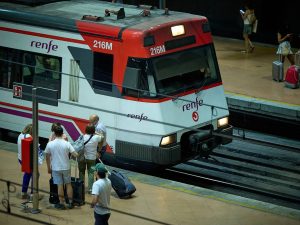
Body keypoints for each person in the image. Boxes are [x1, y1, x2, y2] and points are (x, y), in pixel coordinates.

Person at [45, 125, 78, 209]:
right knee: (68, 184)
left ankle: (61, 203)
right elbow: (75, 154)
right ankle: (70, 203)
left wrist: (49, 167)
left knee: (59, 185)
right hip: (66, 166)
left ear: (55, 134)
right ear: (62, 133)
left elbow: (47, 156)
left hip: (55, 167)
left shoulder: (50, 144)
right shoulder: (67, 143)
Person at [79, 124, 103, 194]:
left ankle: (81, 186)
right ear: (93, 130)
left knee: (81, 172)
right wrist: (96, 132)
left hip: (82, 158)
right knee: (91, 173)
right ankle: (90, 189)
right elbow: (102, 136)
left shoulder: (83, 137)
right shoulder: (96, 137)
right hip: (91, 158)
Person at [17, 124, 33, 199]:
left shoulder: (20, 135)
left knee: (28, 174)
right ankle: (30, 193)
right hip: (27, 159)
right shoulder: (29, 137)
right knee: (32, 175)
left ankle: (25, 192)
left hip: (21, 158)